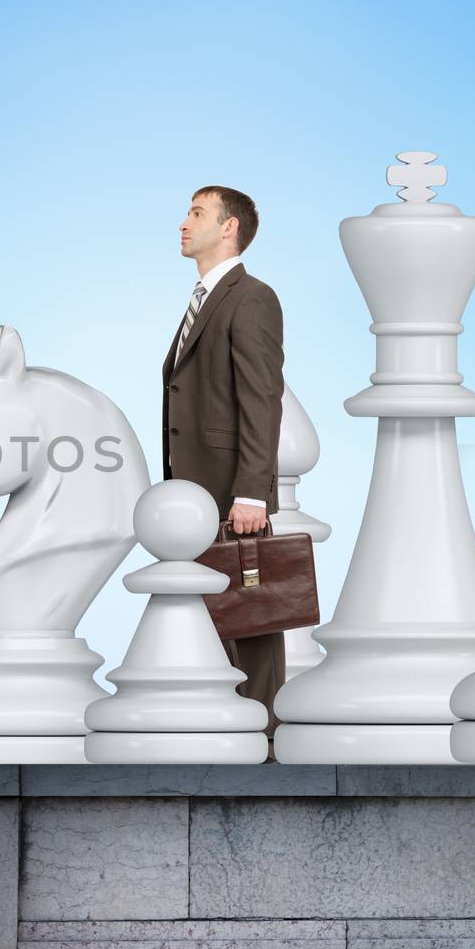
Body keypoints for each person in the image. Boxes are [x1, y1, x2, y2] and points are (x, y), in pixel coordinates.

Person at [161, 185, 286, 740]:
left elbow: (261, 397)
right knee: (212, 620)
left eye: (197, 213)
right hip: (190, 494)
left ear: (229, 226)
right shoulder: (203, 300)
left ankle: (265, 744)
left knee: (252, 619)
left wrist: (253, 492)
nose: (184, 223)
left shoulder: (251, 297)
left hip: (231, 494)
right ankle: (227, 736)